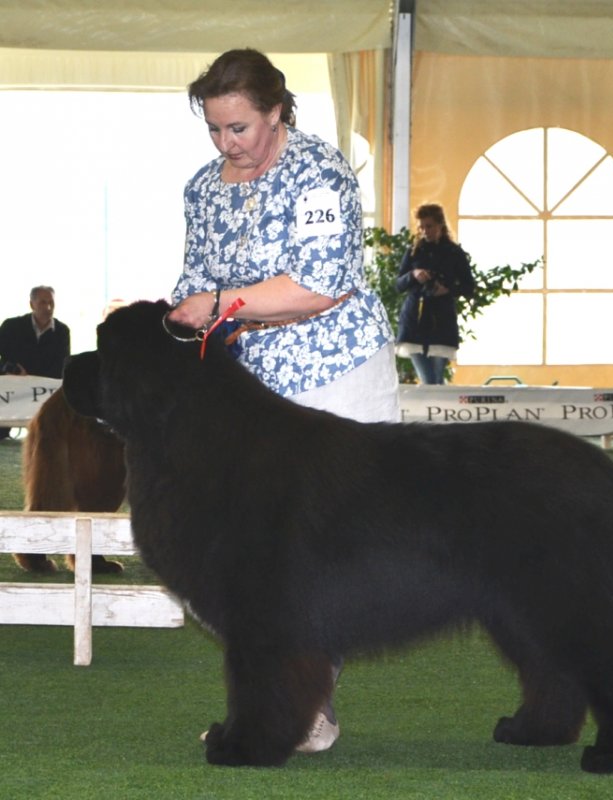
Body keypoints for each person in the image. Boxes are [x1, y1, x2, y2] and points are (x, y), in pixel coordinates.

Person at [167, 48, 400, 753]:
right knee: (260, 558)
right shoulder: (202, 188)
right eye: (213, 129)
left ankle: (304, 712)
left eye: (238, 128)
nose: (225, 144)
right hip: (251, 394)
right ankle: (282, 704)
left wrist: (215, 304)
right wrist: (176, 314)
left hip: (338, 376)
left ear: (277, 112)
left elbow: (316, 286)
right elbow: (193, 283)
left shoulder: (320, 174)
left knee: (321, 553)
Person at [395, 204, 475, 384]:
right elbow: (398, 285)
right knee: (428, 380)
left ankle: (437, 409)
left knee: (436, 379)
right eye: (421, 227)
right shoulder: (414, 251)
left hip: (441, 321)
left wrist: (447, 289)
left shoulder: (454, 253)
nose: (425, 231)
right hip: (414, 321)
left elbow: (469, 286)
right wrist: (413, 275)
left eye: (429, 226)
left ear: (440, 225)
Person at [0, 285, 71, 441]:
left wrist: (31, 377)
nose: (48, 307)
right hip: (10, 391)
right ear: (32, 304)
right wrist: (11, 371)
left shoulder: (61, 331)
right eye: (42, 302)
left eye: (51, 303)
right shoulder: (11, 327)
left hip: (44, 394)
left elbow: (62, 364)